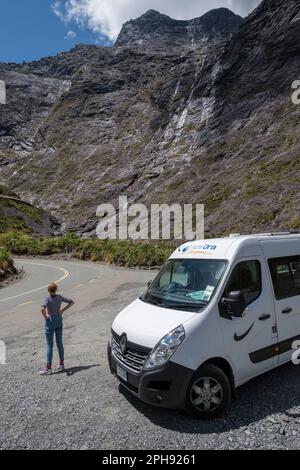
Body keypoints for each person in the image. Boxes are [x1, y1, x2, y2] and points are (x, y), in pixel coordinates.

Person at [39, 283, 74, 376]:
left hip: (50, 321)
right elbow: (72, 302)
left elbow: (42, 309)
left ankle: (48, 368)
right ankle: (61, 364)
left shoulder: (47, 298)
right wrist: (62, 310)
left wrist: (46, 317)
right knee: (60, 343)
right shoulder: (60, 297)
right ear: (56, 289)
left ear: (48, 290)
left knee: (50, 345)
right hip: (59, 319)